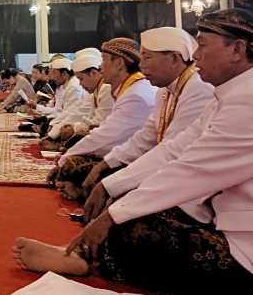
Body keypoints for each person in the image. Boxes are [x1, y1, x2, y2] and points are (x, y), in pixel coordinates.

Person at [13, 8, 253, 295]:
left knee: (133, 229)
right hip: (248, 219)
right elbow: (174, 149)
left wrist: (114, 213)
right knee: (133, 212)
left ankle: (88, 260)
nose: (195, 55)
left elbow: (192, 170)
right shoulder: (235, 94)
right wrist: (110, 186)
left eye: (203, 45)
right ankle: (88, 254)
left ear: (237, 50)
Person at [81, 27, 214, 198]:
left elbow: (173, 150)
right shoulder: (164, 91)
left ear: (174, 58)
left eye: (147, 57)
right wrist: (107, 163)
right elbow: (144, 138)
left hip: (191, 183)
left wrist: (111, 184)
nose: (141, 65)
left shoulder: (198, 88)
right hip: (164, 168)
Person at [49, 38, 156, 200]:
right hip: (127, 152)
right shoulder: (130, 89)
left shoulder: (136, 94)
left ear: (119, 63)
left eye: (104, 61)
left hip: (143, 162)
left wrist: (66, 158)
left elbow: (106, 135)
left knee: (74, 165)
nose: (100, 66)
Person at [32, 58, 89, 145]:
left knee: (66, 129)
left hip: (78, 123)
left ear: (64, 74)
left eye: (54, 73)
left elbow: (71, 114)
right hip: (70, 119)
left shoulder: (74, 87)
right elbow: (60, 111)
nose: (51, 77)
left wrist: (51, 133)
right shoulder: (63, 86)